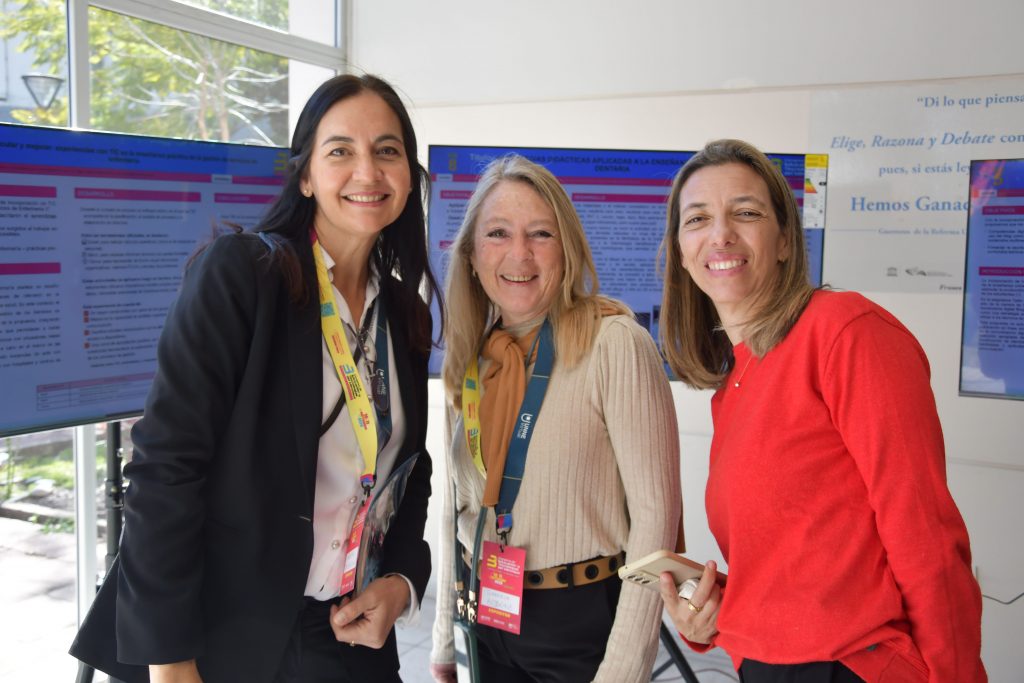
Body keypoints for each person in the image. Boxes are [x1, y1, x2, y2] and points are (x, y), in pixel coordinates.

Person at [69, 73, 441, 683]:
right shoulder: (245, 277)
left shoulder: (404, 314)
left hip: (347, 634)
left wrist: (401, 580)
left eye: (387, 150)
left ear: (408, 174)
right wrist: (170, 662)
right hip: (222, 637)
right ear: (305, 176)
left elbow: (411, 469)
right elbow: (166, 469)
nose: (367, 171)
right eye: (340, 150)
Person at [657, 139, 986, 683]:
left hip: (853, 666)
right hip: (765, 667)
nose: (721, 234)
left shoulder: (845, 331)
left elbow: (924, 534)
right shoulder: (733, 384)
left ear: (786, 240)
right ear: (681, 250)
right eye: (697, 219)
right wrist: (709, 617)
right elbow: (795, 567)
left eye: (746, 212)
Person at [429, 154, 681, 683]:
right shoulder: (473, 357)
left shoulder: (616, 344)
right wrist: (444, 640)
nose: (519, 253)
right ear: (472, 255)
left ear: (567, 249)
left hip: (579, 623)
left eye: (540, 233)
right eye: (498, 233)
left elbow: (656, 520)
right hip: (488, 614)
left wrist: (623, 672)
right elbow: (458, 508)